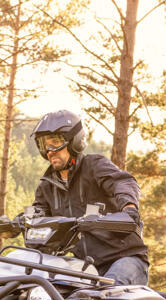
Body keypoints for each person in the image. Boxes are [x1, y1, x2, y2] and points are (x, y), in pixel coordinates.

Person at [25, 109, 149, 286]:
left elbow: (122, 182)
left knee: (106, 294)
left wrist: (129, 208)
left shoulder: (94, 166)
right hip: (84, 266)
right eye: (44, 145)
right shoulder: (47, 185)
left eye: (55, 142)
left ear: (74, 141)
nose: (50, 151)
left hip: (124, 258)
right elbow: (39, 213)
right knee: (48, 293)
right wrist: (24, 222)